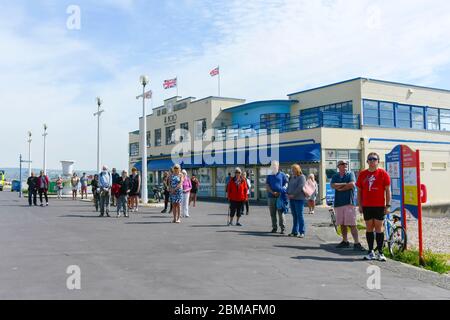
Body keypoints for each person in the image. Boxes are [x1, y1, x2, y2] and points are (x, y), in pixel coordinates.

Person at [356, 152, 392, 262]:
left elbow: (388, 191)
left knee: (379, 229)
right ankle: (371, 251)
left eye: (374, 159)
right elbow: (359, 191)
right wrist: (360, 205)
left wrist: (388, 205)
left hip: (379, 206)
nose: (372, 161)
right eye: (370, 159)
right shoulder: (363, 174)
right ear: (367, 161)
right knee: (369, 228)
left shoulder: (383, 173)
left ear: (378, 161)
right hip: (367, 206)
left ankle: (380, 253)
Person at [331, 161, 365, 251]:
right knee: (342, 224)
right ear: (338, 166)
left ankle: (356, 242)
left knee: (352, 224)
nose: (345, 165)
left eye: (346, 164)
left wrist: (340, 188)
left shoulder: (351, 174)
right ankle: (345, 241)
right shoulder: (335, 176)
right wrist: (345, 184)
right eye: (342, 164)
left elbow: (352, 184)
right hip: (339, 203)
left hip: (349, 203)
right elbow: (333, 185)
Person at [266, 160, 288, 234]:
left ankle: (283, 228)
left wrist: (281, 190)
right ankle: (274, 228)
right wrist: (272, 192)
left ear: (278, 166)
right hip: (271, 197)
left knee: (281, 213)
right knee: (272, 214)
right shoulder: (269, 175)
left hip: (280, 197)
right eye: (272, 165)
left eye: (275, 165)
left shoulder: (282, 174)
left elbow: (286, 184)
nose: (274, 167)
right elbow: (267, 185)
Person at [287, 164, 307, 238]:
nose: (292, 171)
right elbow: (289, 186)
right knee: (294, 216)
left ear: (297, 169)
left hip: (299, 199)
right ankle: (294, 231)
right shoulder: (292, 177)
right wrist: (287, 193)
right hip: (292, 199)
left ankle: (302, 232)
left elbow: (300, 187)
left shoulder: (302, 177)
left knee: (300, 215)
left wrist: (293, 195)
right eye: (292, 169)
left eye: (293, 169)